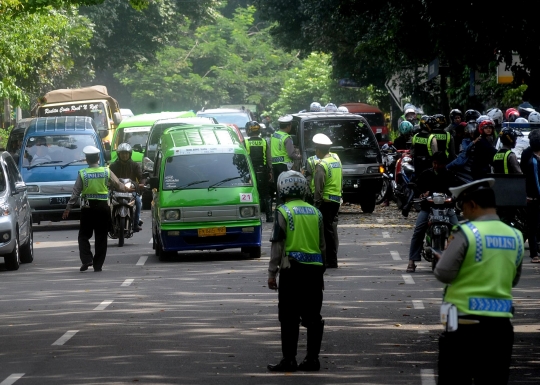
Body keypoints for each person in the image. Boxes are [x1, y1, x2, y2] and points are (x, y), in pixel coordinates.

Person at [434, 178, 523, 385]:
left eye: (462, 206)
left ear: (472, 204)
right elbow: (513, 279)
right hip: (501, 327)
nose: (462, 213)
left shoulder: (466, 232)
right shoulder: (516, 236)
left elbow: (443, 273)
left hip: (463, 324)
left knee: (455, 379)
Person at [267, 171, 326, 372]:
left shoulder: (283, 211)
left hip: (292, 271)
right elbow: (322, 246)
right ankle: (312, 359)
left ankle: (289, 359)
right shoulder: (316, 212)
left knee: (289, 316)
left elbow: (277, 244)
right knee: (313, 317)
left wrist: (271, 272)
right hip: (314, 271)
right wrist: (321, 271)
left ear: (282, 188)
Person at [62, 146, 132, 272]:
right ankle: (98, 265)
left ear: (87, 160)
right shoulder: (106, 171)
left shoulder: (83, 173)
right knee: (101, 237)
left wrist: (68, 208)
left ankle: (87, 259)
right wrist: (129, 188)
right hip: (103, 208)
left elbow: (75, 192)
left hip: (87, 209)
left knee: (83, 236)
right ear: (98, 158)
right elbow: (119, 185)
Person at [405, 152, 459, 272]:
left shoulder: (450, 175)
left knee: (459, 230)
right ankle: (411, 261)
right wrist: (422, 193)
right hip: (428, 208)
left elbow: (456, 189)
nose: (436, 166)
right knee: (418, 231)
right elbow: (416, 186)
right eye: (434, 163)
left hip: (447, 209)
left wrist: (454, 197)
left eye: (439, 164)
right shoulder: (426, 174)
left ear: (444, 164)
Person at [310, 134, 342, 269]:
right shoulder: (336, 160)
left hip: (326, 201)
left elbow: (318, 187)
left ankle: (330, 260)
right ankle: (331, 258)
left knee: (325, 232)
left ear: (318, 150)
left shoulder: (321, 165)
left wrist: (316, 203)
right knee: (330, 230)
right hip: (336, 199)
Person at [109, 143, 145, 232]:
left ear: (130, 154)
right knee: (107, 202)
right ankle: (108, 223)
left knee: (138, 201)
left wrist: (142, 184)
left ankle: (136, 223)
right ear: (118, 154)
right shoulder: (113, 166)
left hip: (131, 190)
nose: (124, 155)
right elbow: (108, 177)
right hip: (115, 190)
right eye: (122, 153)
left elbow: (141, 177)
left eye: (126, 153)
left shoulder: (135, 165)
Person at [244, 121, 274, 222]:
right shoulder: (264, 141)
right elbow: (269, 159)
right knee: (265, 194)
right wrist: (270, 171)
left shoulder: (245, 142)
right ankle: (269, 217)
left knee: (252, 194)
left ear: (248, 131)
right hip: (263, 171)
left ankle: (253, 216)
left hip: (250, 172)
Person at [270, 115, 302, 204]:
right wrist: (299, 156)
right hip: (284, 166)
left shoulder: (274, 135)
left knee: (278, 188)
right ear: (288, 126)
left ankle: (278, 207)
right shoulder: (286, 137)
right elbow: (291, 154)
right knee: (285, 188)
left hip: (275, 165)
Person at [521, 129, 540, 263]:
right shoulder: (527, 154)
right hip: (532, 196)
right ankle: (534, 253)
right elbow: (524, 173)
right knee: (532, 226)